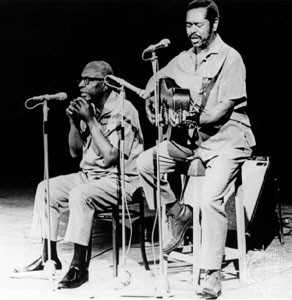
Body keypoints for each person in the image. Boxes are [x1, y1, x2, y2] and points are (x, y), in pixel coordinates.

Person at [137, 0, 256, 298]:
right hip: (194, 141)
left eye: (198, 25)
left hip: (227, 141)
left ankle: (211, 272)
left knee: (209, 197)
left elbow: (219, 111)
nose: (192, 31)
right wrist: (154, 100)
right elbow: (156, 79)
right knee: (145, 163)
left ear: (214, 24)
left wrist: (186, 116)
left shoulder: (231, 58)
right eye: (189, 25)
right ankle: (177, 212)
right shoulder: (183, 58)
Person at [13, 60, 144, 289]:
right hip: (90, 175)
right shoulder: (89, 106)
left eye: (89, 80)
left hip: (120, 180)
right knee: (46, 188)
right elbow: (75, 153)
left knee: (80, 195)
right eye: (81, 79)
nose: (82, 84)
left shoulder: (124, 109)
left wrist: (90, 120)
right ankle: (49, 256)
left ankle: (79, 267)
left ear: (106, 84)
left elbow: (112, 157)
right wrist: (74, 122)